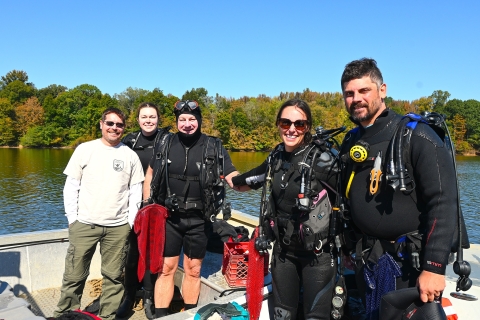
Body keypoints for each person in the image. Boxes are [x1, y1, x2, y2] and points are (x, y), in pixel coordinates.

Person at [338, 58, 456, 319]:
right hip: (366, 258)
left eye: (363, 90)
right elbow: (346, 200)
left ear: (382, 90)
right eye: (349, 93)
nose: (355, 98)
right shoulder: (351, 140)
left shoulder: (417, 135)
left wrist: (434, 267)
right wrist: (349, 247)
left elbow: (443, 202)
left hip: (408, 265)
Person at [231, 99, 338, 320]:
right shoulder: (275, 156)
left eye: (299, 124)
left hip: (317, 255)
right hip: (283, 252)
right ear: (278, 124)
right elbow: (246, 181)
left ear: (307, 127)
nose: (291, 129)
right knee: (282, 315)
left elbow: (349, 199)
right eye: (285, 122)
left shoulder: (323, 159)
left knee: (315, 317)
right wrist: (224, 171)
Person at [142, 100, 239, 318]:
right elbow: (149, 174)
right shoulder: (164, 142)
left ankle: (188, 314)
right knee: (166, 268)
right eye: (182, 120)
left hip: (199, 219)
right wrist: (147, 203)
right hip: (169, 218)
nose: (187, 124)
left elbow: (232, 175)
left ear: (199, 121)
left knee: (193, 270)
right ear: (177, 122)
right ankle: (161, 315)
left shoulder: (214, 146)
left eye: (192, 119)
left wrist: (247, 182)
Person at [53, 108, 145, 320]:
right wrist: (72, 219)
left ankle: (107, 316)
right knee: (74, 275)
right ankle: (64, 315)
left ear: (123, 128)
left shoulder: (129, 155)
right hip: (84, 224)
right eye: (110, 123)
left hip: (118, 227)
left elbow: (135, 192)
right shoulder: (85, 150)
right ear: (101, 124)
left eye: (119, 125)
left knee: (113, 277)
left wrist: (130, 222)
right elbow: (71, 186)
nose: (114, 128)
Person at [117, 102, 169, 319]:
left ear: (158, 119)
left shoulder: (167, 140)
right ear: (138, 119)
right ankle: (129, 295)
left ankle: (149, 296)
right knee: (132, 252)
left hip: (159, 206)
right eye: (144, 117)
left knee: (153, 252)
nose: (148, 120)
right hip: (132, 205)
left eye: (152, 116)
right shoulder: (130, 141)